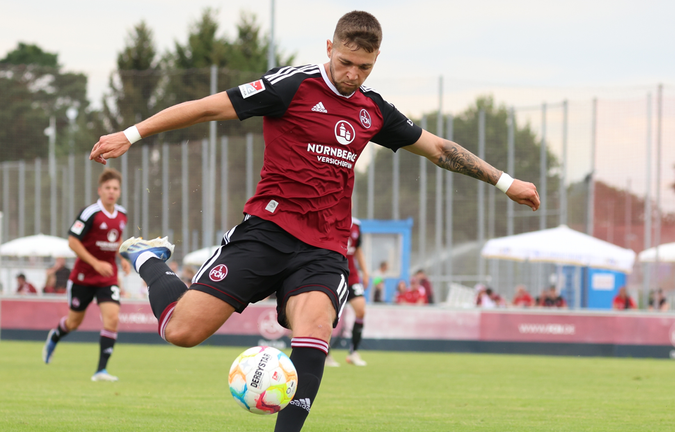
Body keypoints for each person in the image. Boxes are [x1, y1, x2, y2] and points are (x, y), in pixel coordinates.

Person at [89, 11, 539, 431]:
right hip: (265, 232)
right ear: (329, 48)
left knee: (316, 328)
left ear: (375, 60)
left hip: (324, 247)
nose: (353, 75)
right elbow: (208, 108)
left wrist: (505, 182)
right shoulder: (293, 86)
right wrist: (131, 134)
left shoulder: (373, 110)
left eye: (364, 67)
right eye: (345, 63)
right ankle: (149, 260)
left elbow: (439, 149)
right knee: (181, 332)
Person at [42, 168, 131, 382]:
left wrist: (123, 257)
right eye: (107, 188)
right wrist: (95, 262)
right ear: (99, 190)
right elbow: (73, 241)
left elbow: (116, 239)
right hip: (83, 276)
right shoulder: (90, 213)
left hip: (107, 277)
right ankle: (55, 335)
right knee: (73, 323)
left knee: (112, 318)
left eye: (115, 188)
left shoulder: (122, 215)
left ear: (119, 192)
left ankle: (101, 371)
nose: (111, 192)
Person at [341, 217, 371, 366]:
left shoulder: (357, 225)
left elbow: (358, 249)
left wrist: (365, 272)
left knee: (361, 310)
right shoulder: (329, 217)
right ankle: (325, 354)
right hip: (333, 273)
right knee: (328, 316)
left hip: (352, 276)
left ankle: (353, 352)